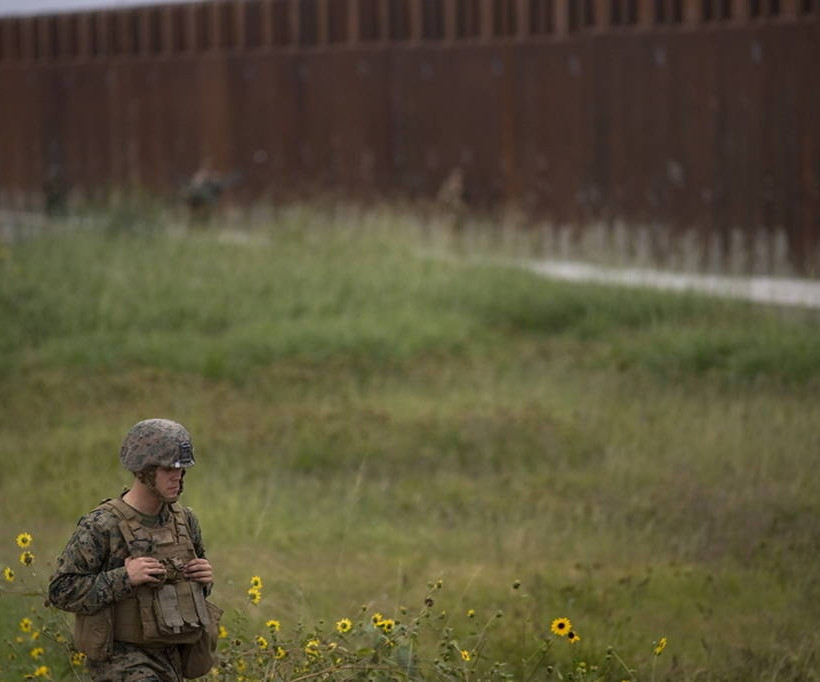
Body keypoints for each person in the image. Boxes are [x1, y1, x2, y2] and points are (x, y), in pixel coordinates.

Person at [48, 419, 215, 682]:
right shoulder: (103, 525)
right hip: (119, 663)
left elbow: (189, 591)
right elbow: (60, 591)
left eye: (182, 469)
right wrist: (124, 578)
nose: (178, 476)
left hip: (173, 660)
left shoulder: (185, 520)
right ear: (144, 470)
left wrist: (204, 579)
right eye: (168, 468)